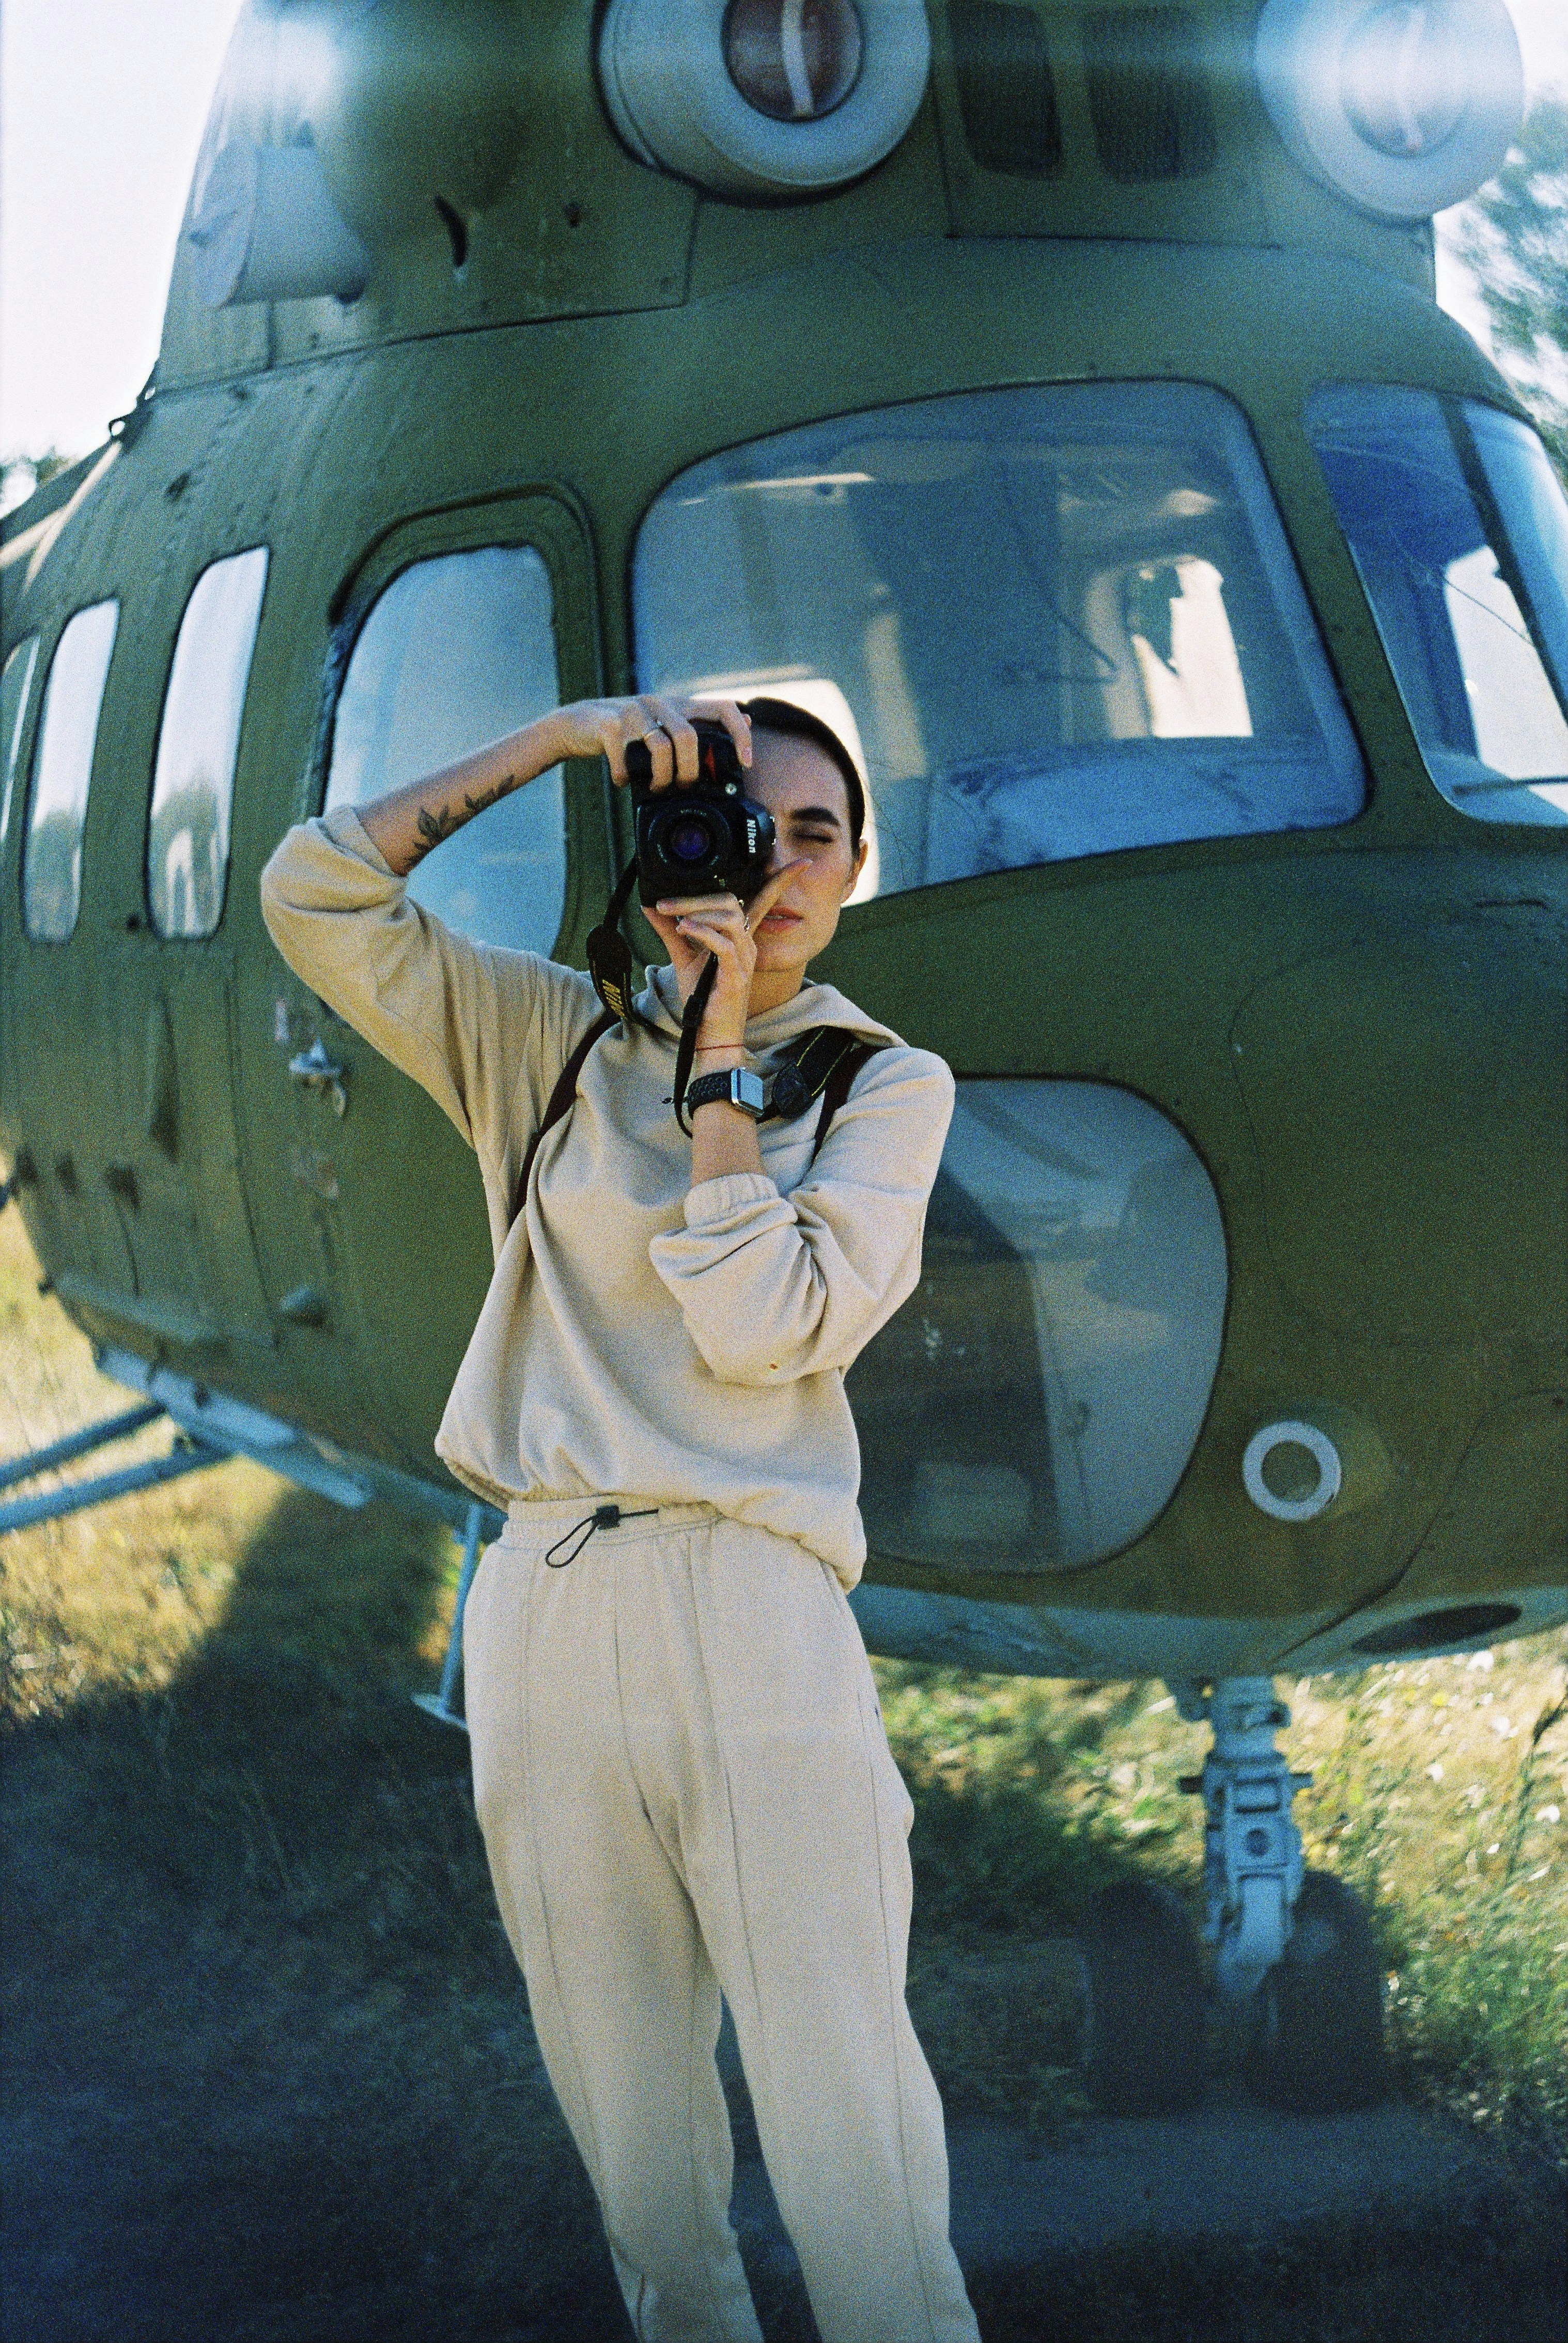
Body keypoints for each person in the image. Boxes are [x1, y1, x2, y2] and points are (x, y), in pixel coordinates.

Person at [259, 691, 979, 2343]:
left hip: (754, 1608)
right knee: (636, 2149)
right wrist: (544, 744)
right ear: (670, 849)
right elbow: (313, 896)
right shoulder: (548, 1046)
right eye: (742, 826)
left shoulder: (882, 1084)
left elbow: (760, 1326)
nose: (774, 866)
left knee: (848, 2133)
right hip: (543, 1598)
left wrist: (721, 1051)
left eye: (815, 835)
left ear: (861, 866)